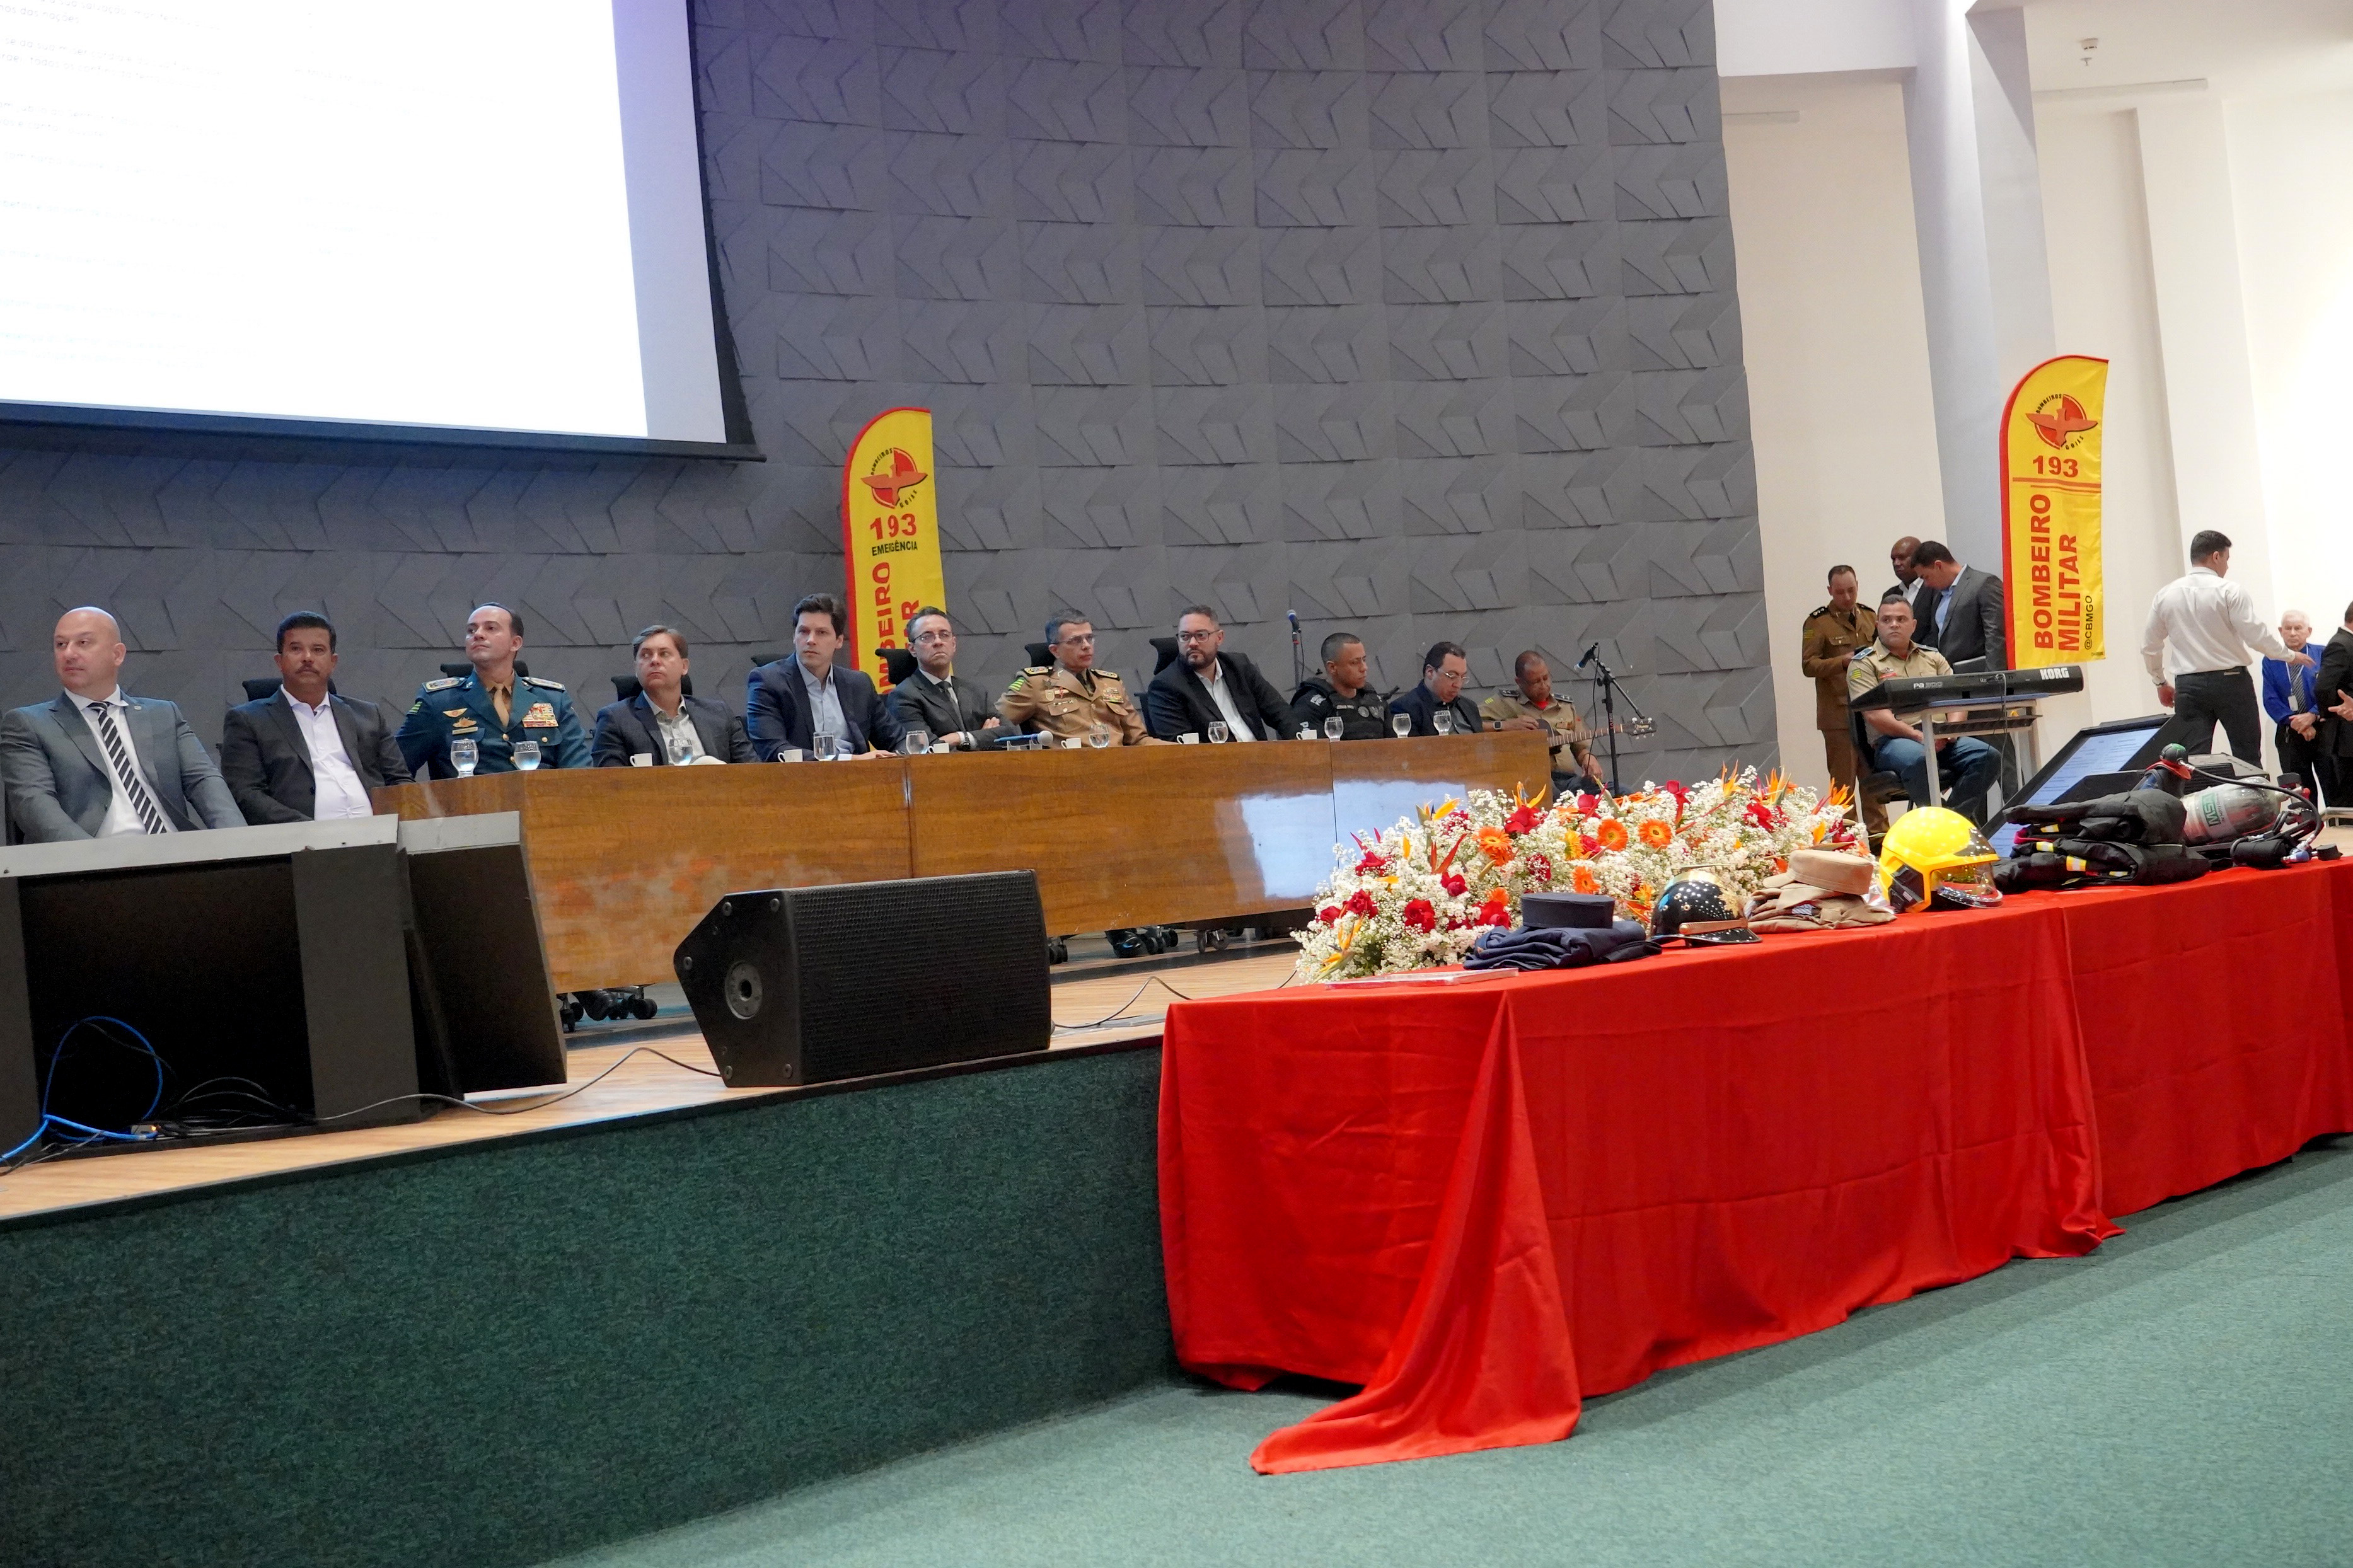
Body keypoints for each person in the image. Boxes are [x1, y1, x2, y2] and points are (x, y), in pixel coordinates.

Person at [1, 606, 242, 841]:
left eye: (83, 643)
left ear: (117, 654)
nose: (69, 654)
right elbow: (35, 804)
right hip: (93, 858)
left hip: (174, 851)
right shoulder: (28, 724)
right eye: (61, 644)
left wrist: (239, 844)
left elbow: (203, 781)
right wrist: (92, 858)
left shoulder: (163, 714)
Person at [219, 612, 412, 822]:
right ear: (279, 661)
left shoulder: (368, 715)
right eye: (296, 649)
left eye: (318, 650)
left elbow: (400, 781)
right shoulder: (247, 721)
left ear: (333, 662)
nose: (308, 658)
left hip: (378, 834)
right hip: (301, 838)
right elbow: (247, 794)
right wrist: (309, 831)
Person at [2139, 530, 2310, 765]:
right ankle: (2251, 792)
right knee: (2247, 757)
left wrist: (2160, 682)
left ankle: (2197, 791)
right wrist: (2289, 656)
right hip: (2232, 683)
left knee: (2193, 761)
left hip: (2189, 686)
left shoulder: (2165, 595)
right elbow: (2256, 636)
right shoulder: (2230, 591)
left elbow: (2150, 646)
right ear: (2216, 556)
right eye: (2227, 559)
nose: (2227, 567)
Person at [1848, 597, 2001, 823]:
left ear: (1913, 625)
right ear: (1878, 625)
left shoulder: (1933, 658)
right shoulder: (1864, 664)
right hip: (1895, 742)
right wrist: (1920, 737)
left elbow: (1956, 701)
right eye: (1887, 620)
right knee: (1921, 759)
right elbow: (1876, 715)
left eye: (1901, 619)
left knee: (1988, 756)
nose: (1894, 625)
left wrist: (1951, 732)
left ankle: (1952, 821)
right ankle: (1944, 824)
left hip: (1941, 737)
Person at [396, 604, 589, 778]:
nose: (478, 635)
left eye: (491, 628)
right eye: (471, 630)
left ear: (515, 643)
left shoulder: (553, 699)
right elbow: (396, 772)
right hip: (471, 805)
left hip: (544, 803)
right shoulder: (438, 702)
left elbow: (580, 773)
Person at [748, 593, 903, 759]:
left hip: (862, 775)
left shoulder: (859, 684)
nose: (810, 640)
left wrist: (909, 753)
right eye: (803, 632)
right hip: (802, 775)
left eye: (821, 633)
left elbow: (897, 739)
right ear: (794, 637)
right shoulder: (768, 682)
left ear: (839, 641)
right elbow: (774, 750)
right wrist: (852, 760)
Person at [1800, 566, 1886, 839]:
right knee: (1843, 786)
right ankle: (1848, 842)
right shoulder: (1817, 623)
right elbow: (1809, 665)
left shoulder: (1870, 616)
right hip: (1838, 715)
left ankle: (1880, 840)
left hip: (1869, 712)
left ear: (1857, 585)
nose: (1847, 597)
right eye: (1840, 592)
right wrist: (1842, 662)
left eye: (1851, 590)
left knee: (1874, 781)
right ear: (1830, 591)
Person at [591, 626, 756, 766]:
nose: (654, 661)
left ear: (684, 666)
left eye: (664, 654)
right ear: (636, 668)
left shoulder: (718, 714)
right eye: (646, 655)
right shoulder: (615, 720)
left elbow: (754, 773)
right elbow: (610, 784)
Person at [998, 614, 1157, 745]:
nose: (1086, 646)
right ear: (1055, 650)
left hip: (1120, 766)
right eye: (1076, 640)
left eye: (1090, 638)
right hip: (1070, 768)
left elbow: (1139, 740)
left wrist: (1173, 749)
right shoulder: (1035, 683)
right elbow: (998, 721)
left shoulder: (1111, 682)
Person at [1144, 607, 1295, 742]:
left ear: (1219, 638)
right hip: (1217, 762)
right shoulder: (1165, 686)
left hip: (1261, 757)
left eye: (1201, 635)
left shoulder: (1239, 666)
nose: (1192, 643)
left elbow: (1281, 713)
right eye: (1185, 636)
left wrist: (1301, 748)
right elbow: (1183, 750)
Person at [1480, 652, 1602, 795]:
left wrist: (1588, 757)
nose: (1544, 685)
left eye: (1546, 678)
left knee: (1616, 792)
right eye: (1536, 682)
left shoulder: (1565, 706)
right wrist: (1504, 726)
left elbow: (1579, 747)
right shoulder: (1504, 703)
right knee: (1556, 797)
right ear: (1519, 682)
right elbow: (1469, 722)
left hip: (1569, 781)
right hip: (1531, 780)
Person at [886, 608, 1005, 750]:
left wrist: (959, 738)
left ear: (953, 644)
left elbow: (1011, 733)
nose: (938, 642)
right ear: (912, 649)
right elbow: (926, 750)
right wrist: (983, 739)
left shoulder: (975, 691)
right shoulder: (904, 696)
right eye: (927, 637)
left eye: (944, 635)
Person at [1905, 541, 2004, 668]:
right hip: (1948, 673)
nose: (1926, 584)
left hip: (1979, 672)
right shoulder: (1938, 595)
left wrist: (1994, 675)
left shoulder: (1984, 584)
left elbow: (1996, 635)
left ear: (1938, 566)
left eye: (1926, 577)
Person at [2262, 610, 2323, 792]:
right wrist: (2297, 723)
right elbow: (2270, 699)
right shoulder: (2271, 659)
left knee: (2335, 787)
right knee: (2299, 792)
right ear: (2280, 631)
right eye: (2288, 628)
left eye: (2298, 628)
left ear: (2309, 631)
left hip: (2323, 728)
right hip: (2290, 731)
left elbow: (2332, 691)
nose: (2293, 633)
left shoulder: (2323, 654)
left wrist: (2313, 714)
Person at [1290, 633, 1389, 739]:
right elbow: (1311, 748)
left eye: (1364, 660)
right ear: (1332, 667)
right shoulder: (1310, 706)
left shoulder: (1373, 698)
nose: (1364, 668)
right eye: (1355, 663)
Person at [1387, 642, 1483, 737]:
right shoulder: (1404, 709)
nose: (1458, 685)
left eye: (1463, 677)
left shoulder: (1470, 706)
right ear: (1430, 672)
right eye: (1452, 676)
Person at [2312, 601, 2353, 801]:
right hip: (2347, 737)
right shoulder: (2341, 645)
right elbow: (2323, 687)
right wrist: (2331, 713)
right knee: (2348, 798)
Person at [1885, 535, 1922, 605]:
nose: (1896, 563)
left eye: (1902, 557)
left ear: (1918, 558)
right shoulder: (1890, 595)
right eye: (1893, 559)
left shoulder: (1935, 590)